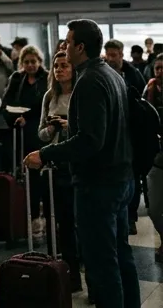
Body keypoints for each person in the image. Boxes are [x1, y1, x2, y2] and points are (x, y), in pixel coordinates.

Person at [27, 19, 139, 308]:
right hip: (121, 177)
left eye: (67, 41)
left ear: (80, 47)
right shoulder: (111, 75)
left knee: (101, 263)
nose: (63, 46)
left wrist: (46, 154)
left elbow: (90, 140)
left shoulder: (89, 80)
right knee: (120, 255)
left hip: (98, 185)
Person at [37, 51, 81, 290]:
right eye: (56, 66)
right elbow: (41, 134)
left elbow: (84, 133)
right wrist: (53, 129)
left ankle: (76, 272)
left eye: (64, 65)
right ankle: (59, 274)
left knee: (75, 222)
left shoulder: (80, 94)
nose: (59, 70)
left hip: (74, 165)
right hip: (54, 165)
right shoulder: (49, 97)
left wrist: (68, 126)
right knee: (58, 222)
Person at [0, 44, 49, 235]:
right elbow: (7, 104)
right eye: (26, 62)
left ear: (39, 62)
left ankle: (43, 214)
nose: (30, 65)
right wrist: (15, 119)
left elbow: (45, 105)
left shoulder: (46, 79)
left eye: (33, 62)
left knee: (41, 176)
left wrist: (28, 118)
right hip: (19, 134)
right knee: (26, 175)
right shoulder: (17, 78)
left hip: (39, 133)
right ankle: (31, 215)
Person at [104, 39, 147, 232]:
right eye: (108, 55)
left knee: (132, 176)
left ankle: (130, 216)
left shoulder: (134, 74)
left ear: (122, 54)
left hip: (131, 131)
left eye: (114, 55)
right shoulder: (102, 73)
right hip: (111, 131)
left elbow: (142, 103)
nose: (111, 59)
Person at [146, 53, 163, 260]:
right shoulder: (149, 89)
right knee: (154, 208)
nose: (160, 72)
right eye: (157, 68)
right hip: (156, 157)